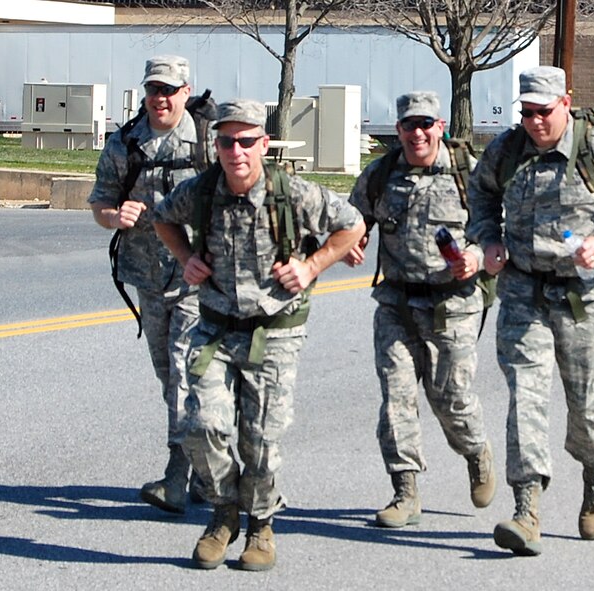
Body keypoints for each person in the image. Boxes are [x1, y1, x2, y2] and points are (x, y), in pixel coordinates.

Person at [153, 99, 365, 571]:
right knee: (201, 425)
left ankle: (261, 526)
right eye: (227, 141)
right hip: (216, 328)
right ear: (217, 145)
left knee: (262, 440)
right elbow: (162, 217)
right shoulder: (202, 192)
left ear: (263, 144)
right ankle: (224, 512)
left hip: (275, 332)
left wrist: (311, 266)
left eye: (247, 140)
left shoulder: (293, 194)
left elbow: (352, 225)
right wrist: (186, 257)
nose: (237, 151)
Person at [466, 66, 594, 556]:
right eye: (527, 112)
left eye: (544, 112)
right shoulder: (506, 151)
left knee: (586, 403)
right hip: (523, 291)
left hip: (585, 296)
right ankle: (526, 508)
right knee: (525, 397)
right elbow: (480, 197)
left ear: (566, 103)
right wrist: (488, 240)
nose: (534, 122)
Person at [344, 91, 495, 529]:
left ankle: (476, 450)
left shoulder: (470, 175)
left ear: (441, 127)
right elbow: (352, 222)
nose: (418, 133)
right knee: (396, 399)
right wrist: (351, 242)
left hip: (454, 304)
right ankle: (405, 491)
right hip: (395, 302)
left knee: (452, 398)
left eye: (426, 124)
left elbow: (499, 230)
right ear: (399, 130)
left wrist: (477, 255)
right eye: (410, 125)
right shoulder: (380, 176)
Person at [88, 55, 211, 514]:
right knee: (169, 377)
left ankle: (178, 477)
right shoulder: (125, 144)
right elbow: (100, 204)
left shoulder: (206, 141)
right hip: (148, 276)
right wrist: (114, 216)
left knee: (184, 371)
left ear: (186, 91)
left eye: (170, 90)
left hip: (198, 277)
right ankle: (206, 470)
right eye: (154, 90)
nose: (161, 99)